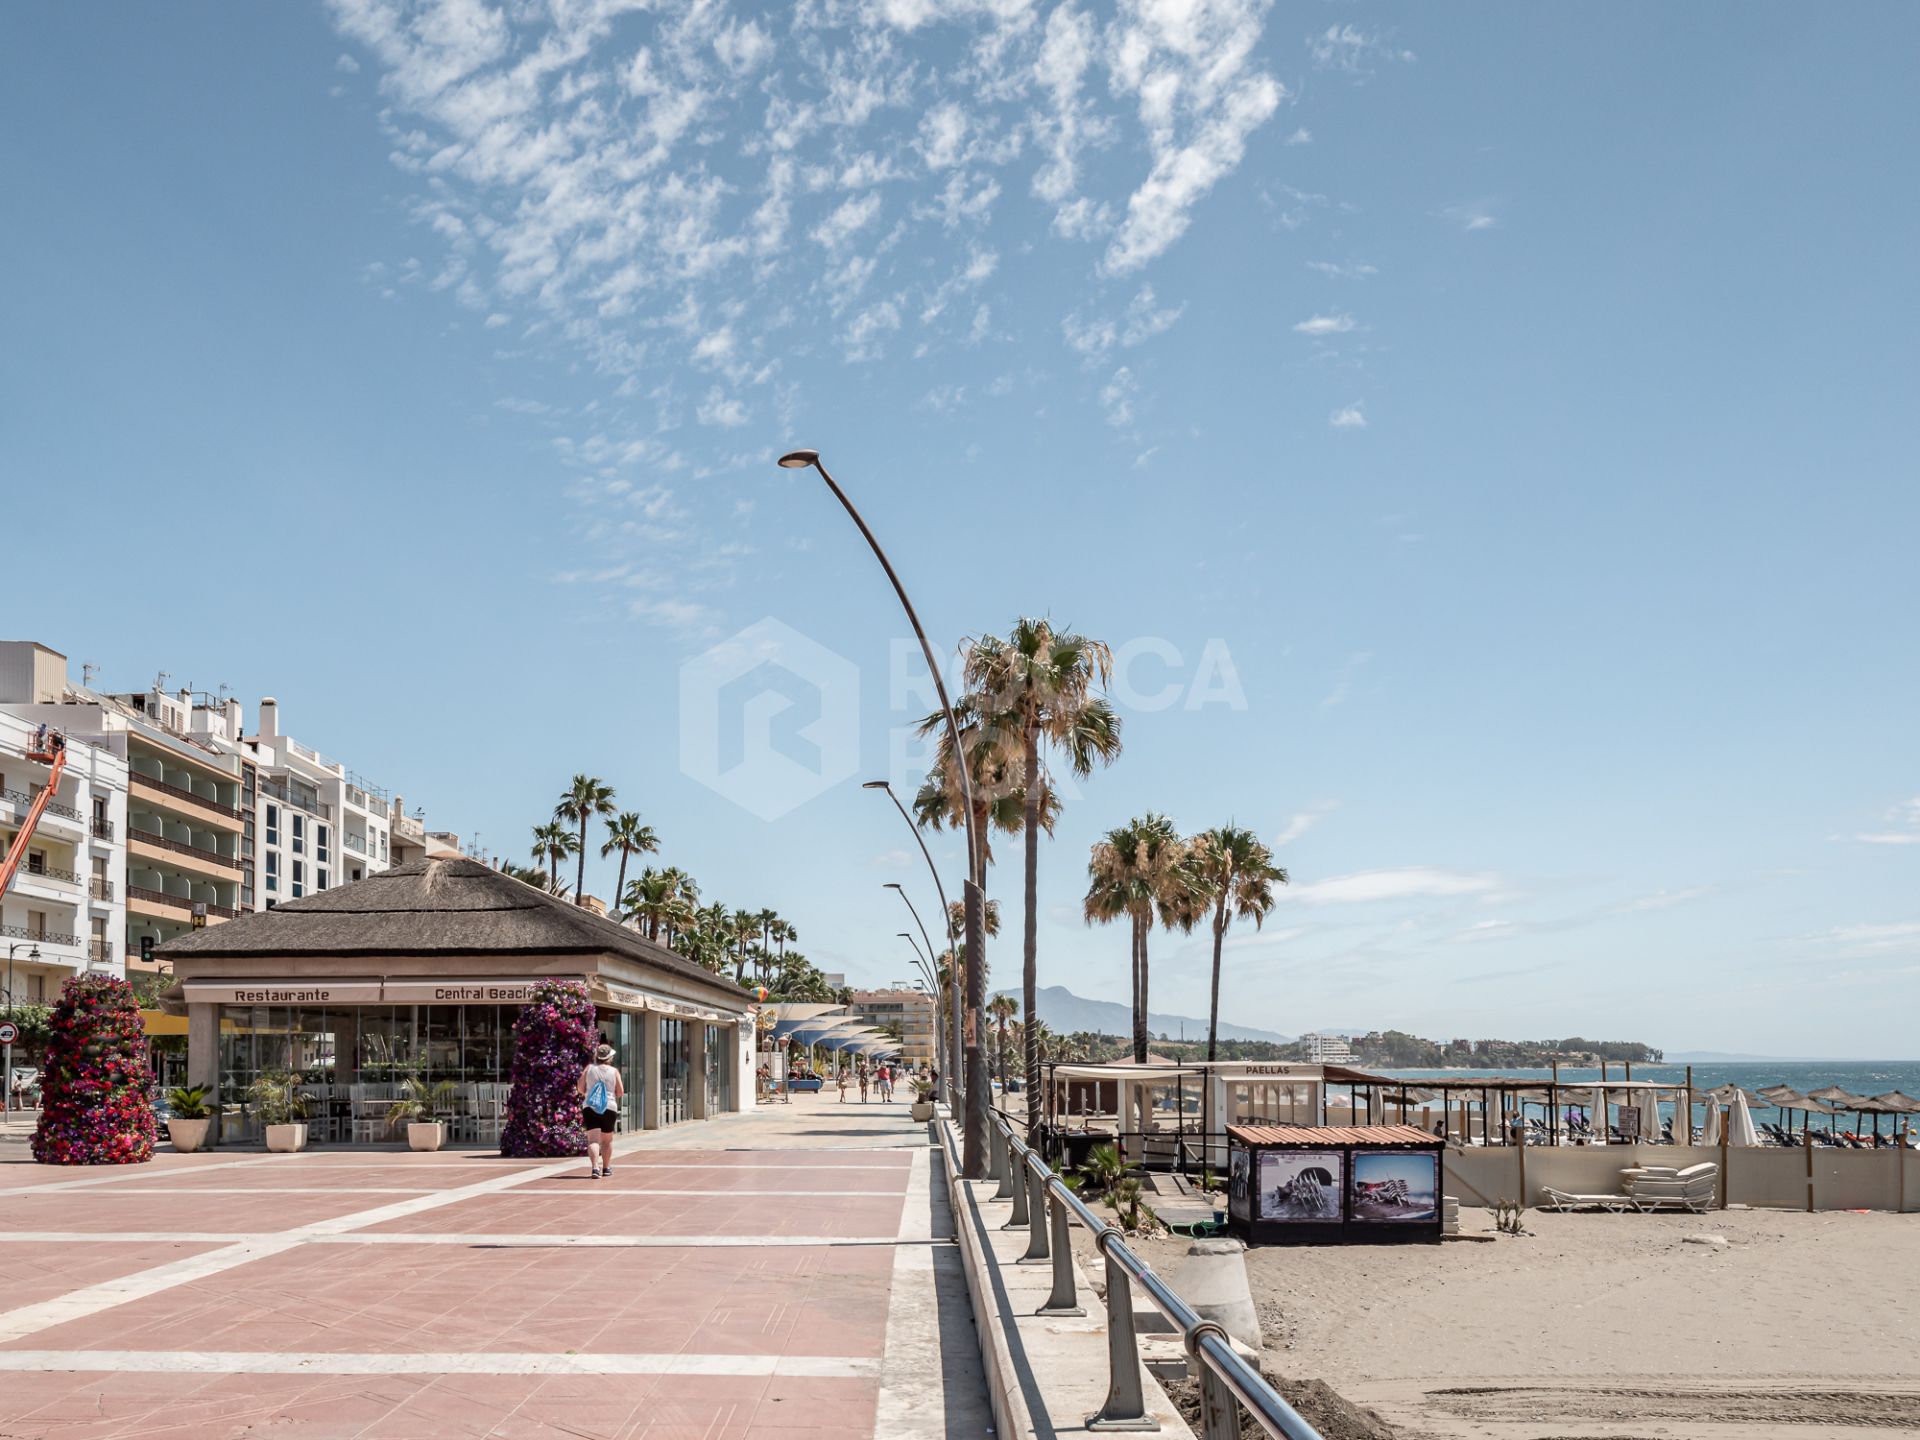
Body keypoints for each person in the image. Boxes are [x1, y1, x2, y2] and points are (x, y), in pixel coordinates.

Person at [575, 1044, 624, 1180]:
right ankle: (606, 1168)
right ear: (609, 1057)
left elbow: (580, 1088)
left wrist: (591, 1093)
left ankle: (595, 1168)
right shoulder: (614, 1071)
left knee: (593, 1140)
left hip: (590, 1107)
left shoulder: (589, 1069)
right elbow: (620, 1092)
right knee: (607, 1140)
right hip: (609, 1107)